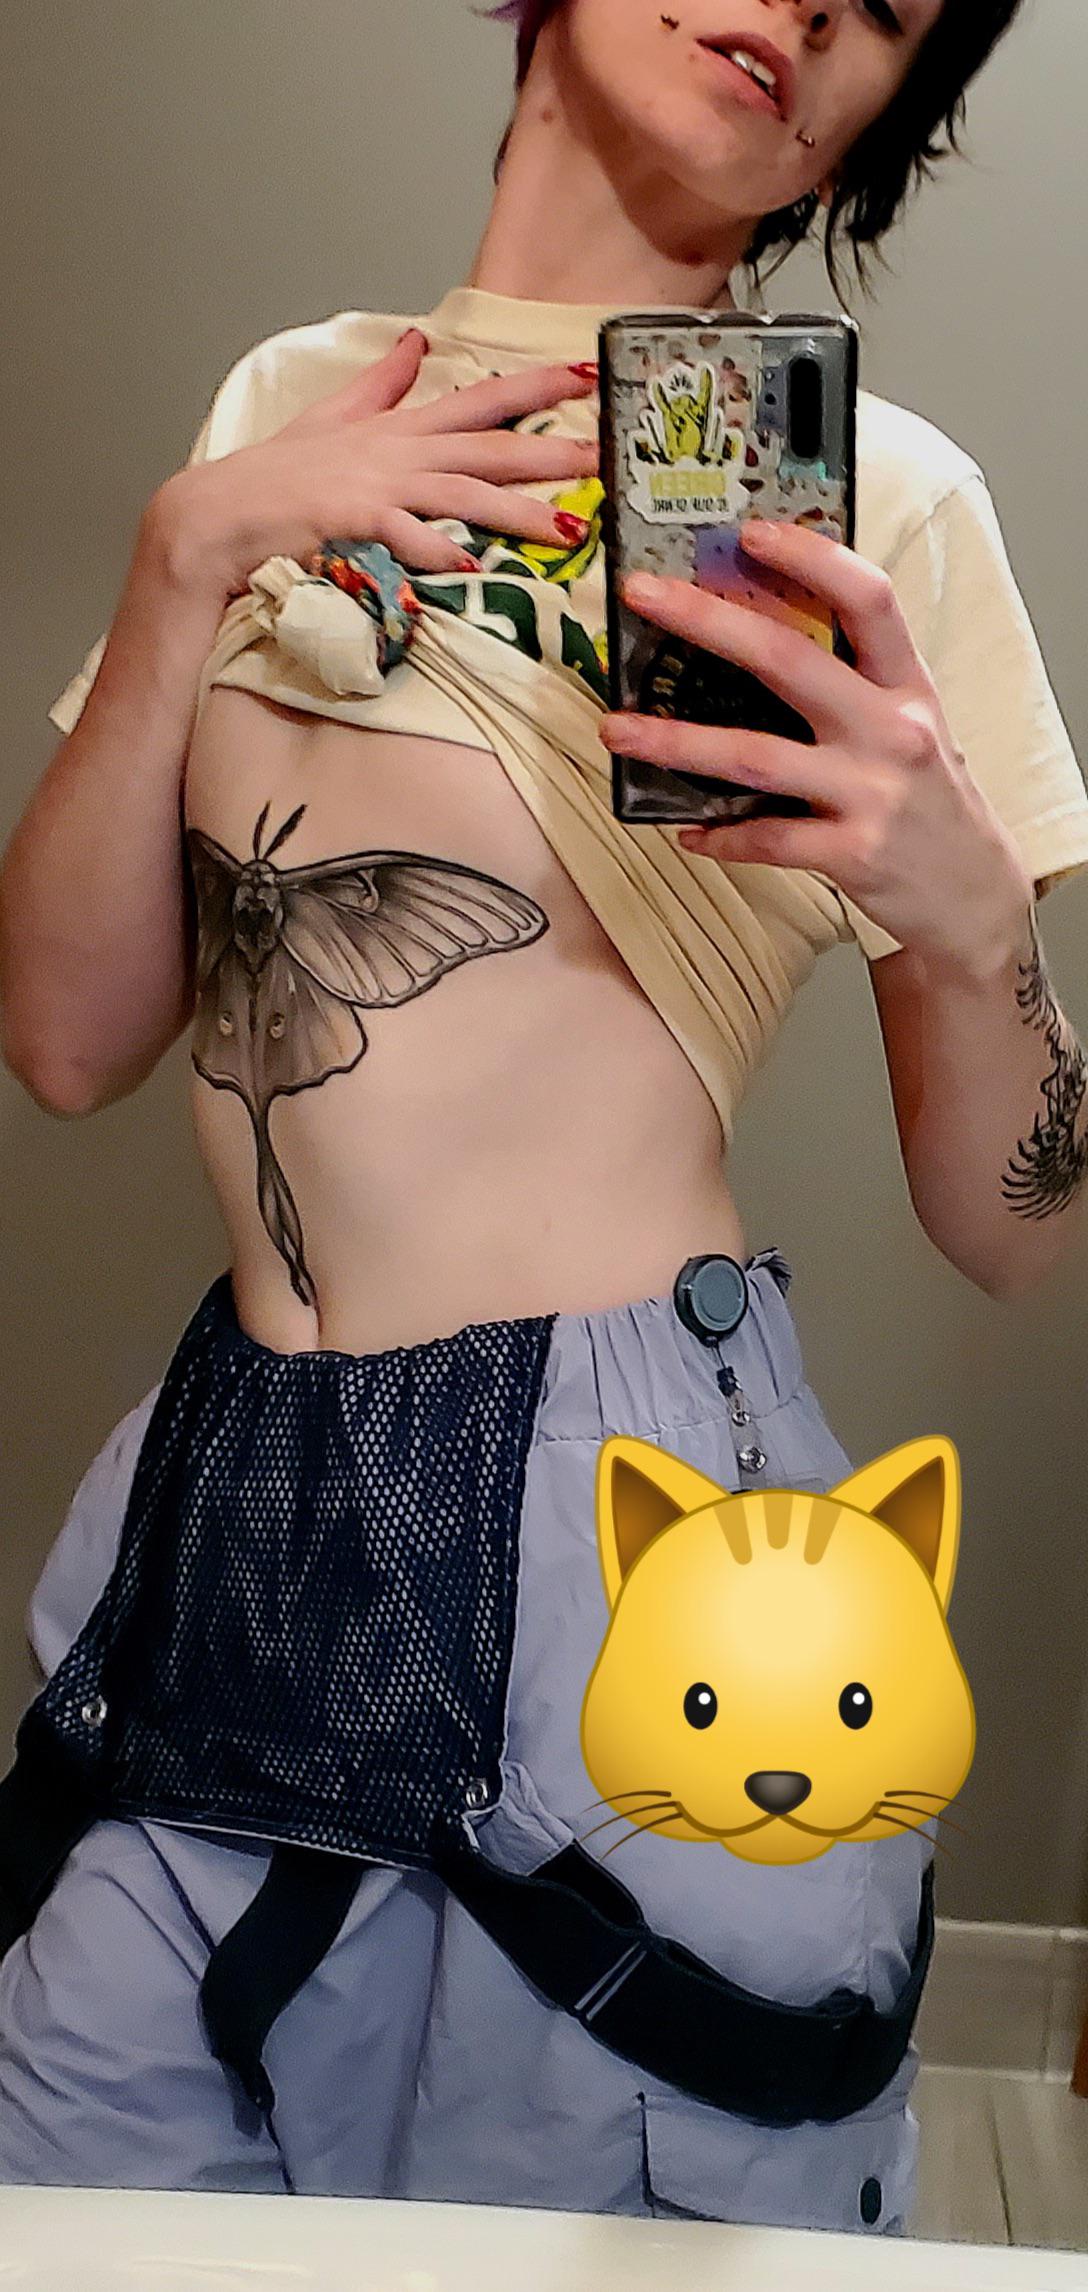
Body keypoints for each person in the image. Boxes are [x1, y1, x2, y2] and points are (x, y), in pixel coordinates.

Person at [1, 0, 1086, 2234]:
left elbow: (1021, 1229)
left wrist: (969, 922)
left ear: (866, 130)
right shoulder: (297, 401)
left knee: (595, 2225)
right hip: (228, 1477)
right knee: (95, 2217)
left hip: (622, 1507)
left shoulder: (877, 497)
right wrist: (184, 559)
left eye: (886, 10)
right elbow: (69, 1039)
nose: (803, 4)